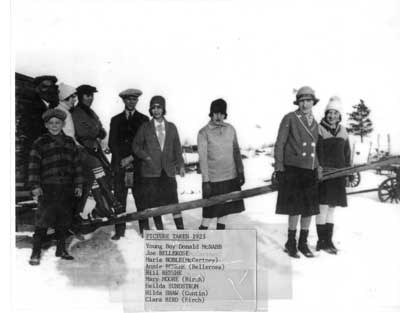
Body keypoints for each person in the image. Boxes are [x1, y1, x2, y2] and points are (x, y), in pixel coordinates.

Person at [28, 109, 83, 265]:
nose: (54, 126)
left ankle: (61, 249)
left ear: (63, 124)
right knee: (43, 221)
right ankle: (36, 252)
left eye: (57, 123)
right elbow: (33, 165)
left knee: (64, 220)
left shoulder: (70, 142)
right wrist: (35, 185)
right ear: (46, 125)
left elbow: (77, 165)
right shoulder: (40, 142)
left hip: (66, 188)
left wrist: (78, 184)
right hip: (48, 188)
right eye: (51, 123)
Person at [274, 86, 322, 258]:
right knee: (294, 208)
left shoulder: (316, 123)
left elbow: (317, 148)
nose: (305, 104)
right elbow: (280, 144)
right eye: (301, 101)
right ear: (298, 102)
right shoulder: (290, 118)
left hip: (309, 169)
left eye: (308, 101)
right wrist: (279, 167)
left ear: (313, 102)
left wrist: (318, 167)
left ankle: (303, 242)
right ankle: (291, 242)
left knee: (309, 209)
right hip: (293, 169)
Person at [132, 95, 185, 232]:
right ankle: (159, 231)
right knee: (154, 203)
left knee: (174, 201)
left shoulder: (172, 127)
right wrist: (146, 157)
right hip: (150, 172)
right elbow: (136, 146)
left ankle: (181, 229)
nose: (156, 111)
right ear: (150, 110)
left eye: (159, 107)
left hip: (168, 171)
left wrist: (181, 166)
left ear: (163, 109)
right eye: (153, 108)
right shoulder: (145, 127)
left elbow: (177, 148)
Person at [72, 84, 119, 219]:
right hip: (85, 150)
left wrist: (96, 131)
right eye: (87, 95)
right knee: (95, 179)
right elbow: (82, 132)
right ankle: (104, 206)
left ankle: (102, 209)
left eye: (92, 95)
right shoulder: (76, 113)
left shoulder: (91, 112)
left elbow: (102, 132)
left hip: (95, 148)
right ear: (80, 97)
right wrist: (96, 131)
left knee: (105, 176)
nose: (90, 98)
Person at [197, 98, 245, 230]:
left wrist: (240, 171)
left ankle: (220, 238)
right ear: (211, 113)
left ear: (225, 114)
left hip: (230, 177)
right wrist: (206, 181)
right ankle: (200, 240)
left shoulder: (231, 129)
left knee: (225, 212)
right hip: (214, 180)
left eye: (221, 113)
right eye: (215, 113)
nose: (218, 116)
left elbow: (236, 151)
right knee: (209, 215)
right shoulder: (203, 132)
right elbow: (203, 158)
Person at [108, 88, 149, 240]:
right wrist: (122, 160)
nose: (131, 102)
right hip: (119, 165)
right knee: (119, 199)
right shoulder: (115, 120)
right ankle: (120, 230)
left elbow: (146, 145)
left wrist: (131, 158)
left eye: (134, 99)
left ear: (137, 101)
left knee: (141, 198)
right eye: (128, 99)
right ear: (123, 101)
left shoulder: (144, 120)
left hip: (138, 165)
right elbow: (112, 143)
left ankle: (145, 229)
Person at [316, 96, 350, 254]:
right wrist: (319, 169)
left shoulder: (343, 131)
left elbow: (347, 153)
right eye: (329, 112)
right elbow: (316, 152)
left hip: (339, 174)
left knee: (332, 208)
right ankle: (321, 241)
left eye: (335, 113)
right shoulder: (319, 129)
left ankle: (328, 241)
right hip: (324, 174)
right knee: (322, 207)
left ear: (340, 115)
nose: (332, 116)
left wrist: (348, 171)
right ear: (325, 114)